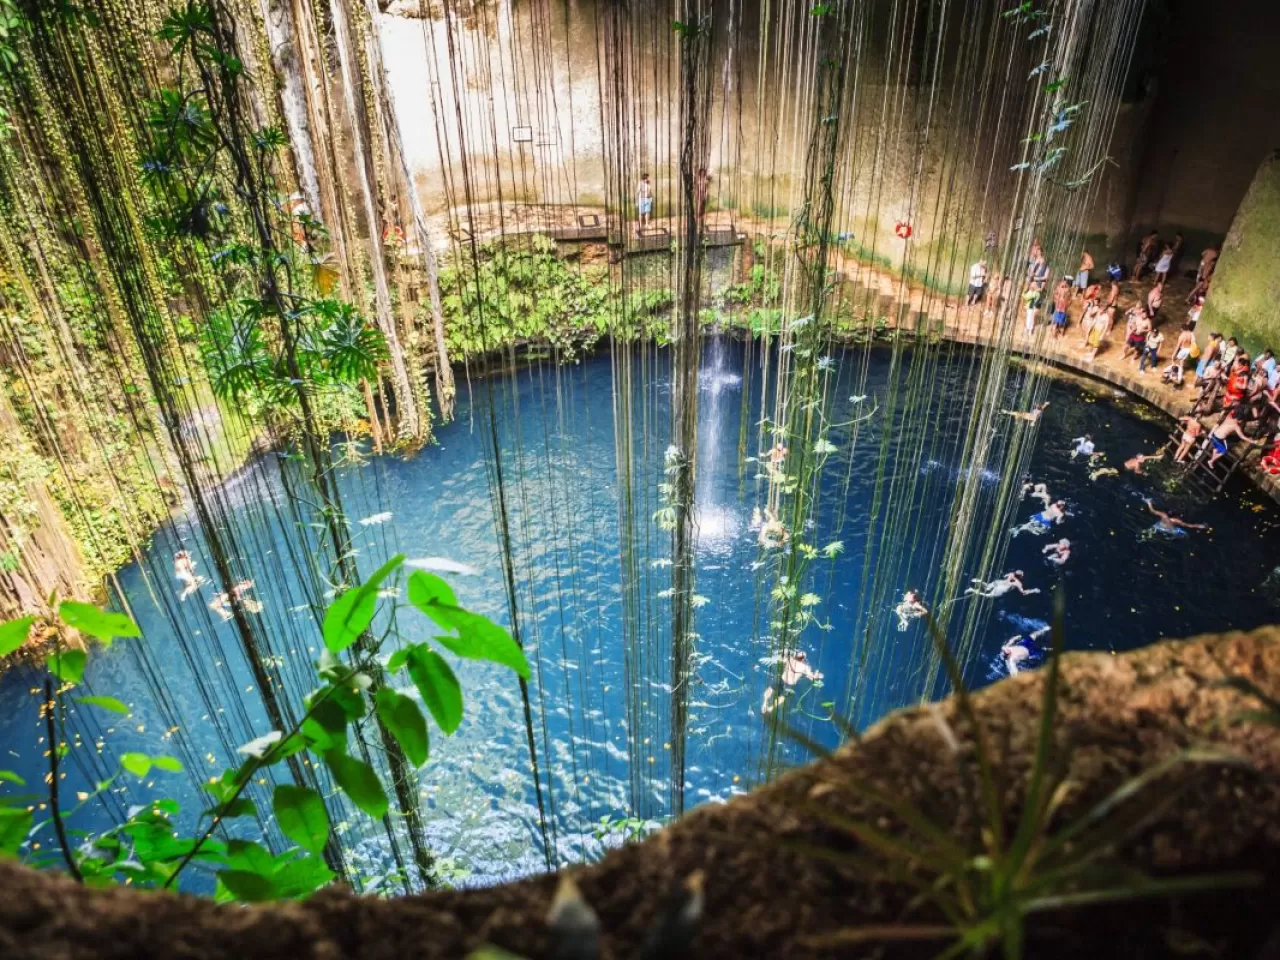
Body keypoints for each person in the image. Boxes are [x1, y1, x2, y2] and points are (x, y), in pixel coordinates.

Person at [966, 571, 1040, 598]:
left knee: (987, 587)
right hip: (1002, 589)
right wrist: (1033, 590)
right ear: (1020, 576)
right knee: (987, 595)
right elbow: (1023, 592)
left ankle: (980, 581)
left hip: (999, 582)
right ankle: (972, 590)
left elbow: (1005, 576)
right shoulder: (1018, 583)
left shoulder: (1011, 573)